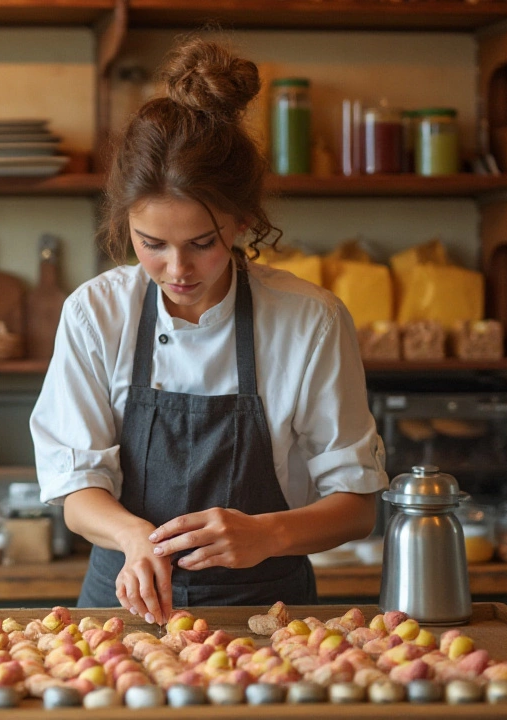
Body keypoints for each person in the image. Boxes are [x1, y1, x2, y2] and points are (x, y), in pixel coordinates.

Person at [29, 37, 388, 626]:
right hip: (123, 612)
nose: (177, 270)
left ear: (243, 222)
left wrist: (266, 534)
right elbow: (76, 490)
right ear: (126, 225)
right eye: (152, 245)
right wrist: (134, 536)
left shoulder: (308, 320)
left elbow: (355, 508)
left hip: (270, 618)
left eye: (202, 244)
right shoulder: (96, 313)